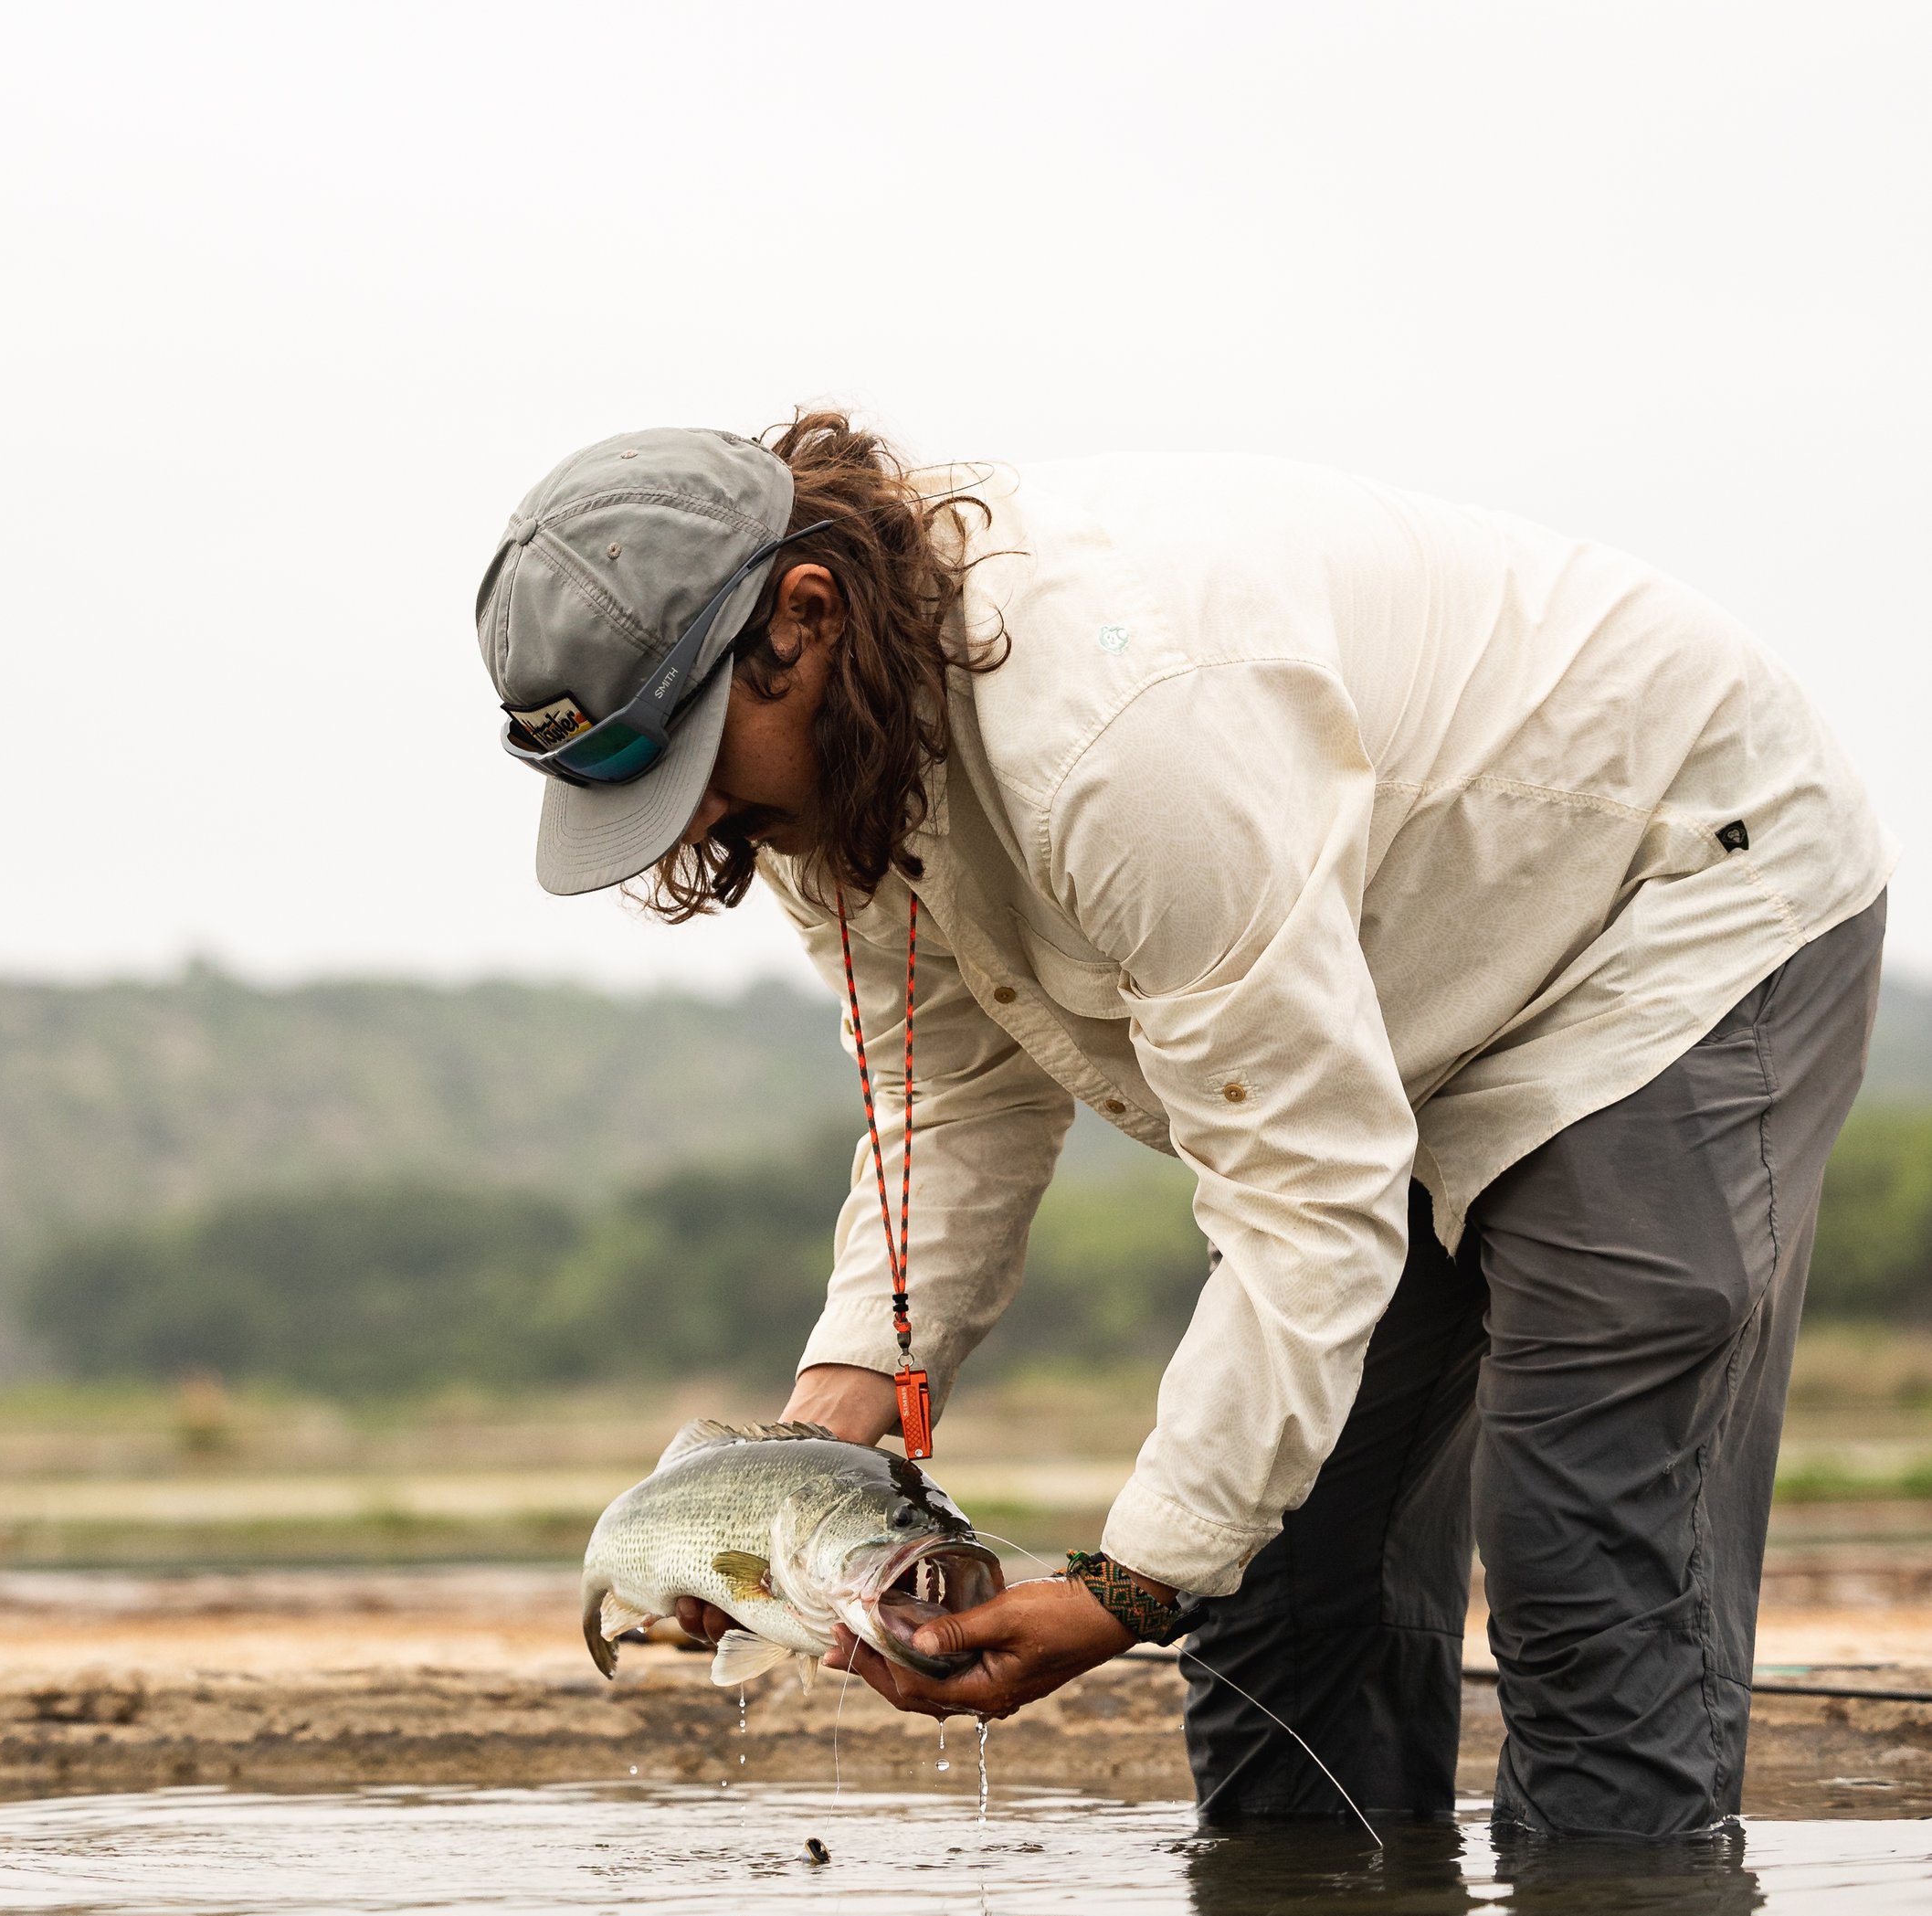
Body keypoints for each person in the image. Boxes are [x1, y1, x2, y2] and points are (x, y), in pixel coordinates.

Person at [475, 414, 1889, 1837]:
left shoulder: (1120, 736)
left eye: (696, 754)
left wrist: (1130, 1584)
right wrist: (838, 1414)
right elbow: (949, 1094)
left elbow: (1300, 1197)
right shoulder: (823, 779)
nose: (701, 817)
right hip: (1368, 1002)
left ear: (806, 615)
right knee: (1274, 1600)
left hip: (1662, 896)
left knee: (1582, 1564)